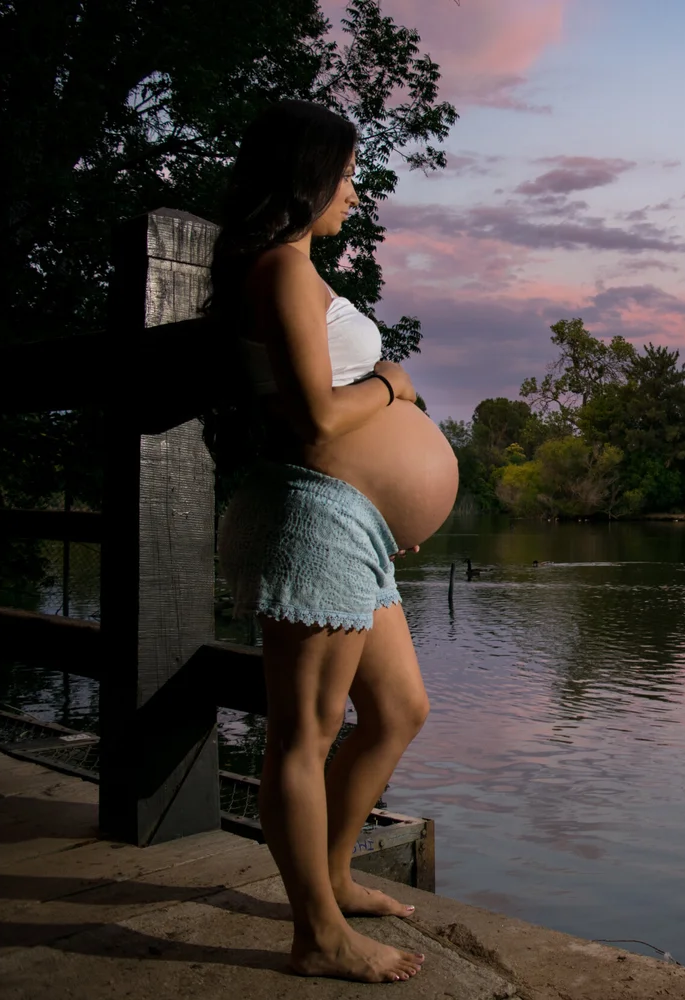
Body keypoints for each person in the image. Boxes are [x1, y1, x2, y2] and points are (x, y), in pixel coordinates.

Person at [211, 100, 458, 983]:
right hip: (314, 514)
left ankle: (336, 876)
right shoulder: (280, 268)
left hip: (353, 522)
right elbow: (316, 418)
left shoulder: (299, 272)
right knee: (304, 735)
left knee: (398, 711)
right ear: (306, 177)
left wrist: (396, 505)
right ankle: (316, 933)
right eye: (348, 175)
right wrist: (393, 385)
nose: (355, 192)